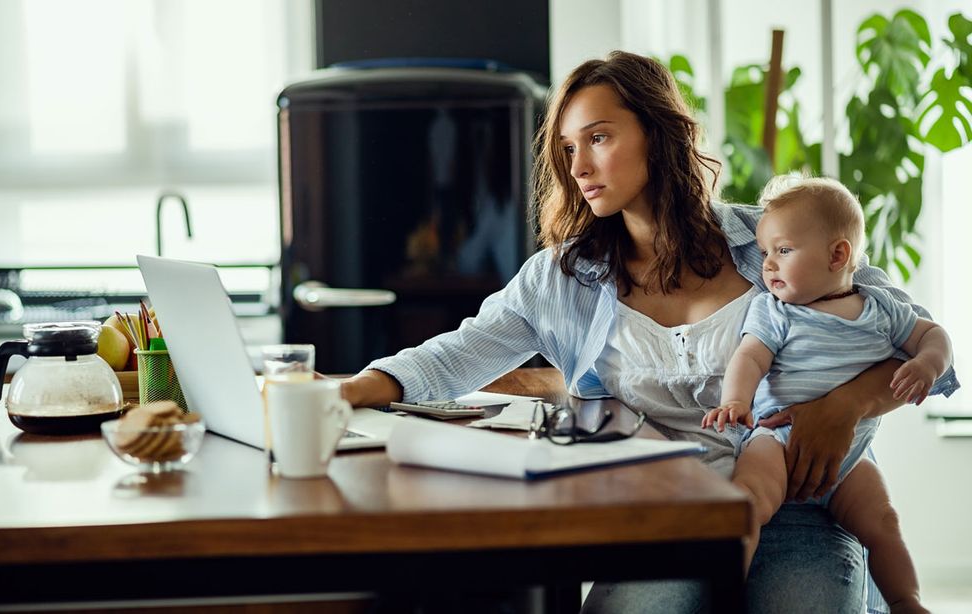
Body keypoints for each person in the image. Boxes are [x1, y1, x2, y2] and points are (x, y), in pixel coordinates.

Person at [340, 51, 959, 612]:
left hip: (801, 507)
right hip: (666, 513)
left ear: (661, 136)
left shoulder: (772, 241)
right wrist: (345, 391)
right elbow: (452, 359)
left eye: (599, 137)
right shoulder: (561, 279)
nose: (578, 165)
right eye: (567, 148)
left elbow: (924, 347)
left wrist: (845, 405)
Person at [701, 175, 952, 614]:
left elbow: (933, 335)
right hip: (774, 441)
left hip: (849, 458)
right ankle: (723, 598)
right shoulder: (774, 311)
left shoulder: (881, 308)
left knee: (883, 523)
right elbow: (749, 358)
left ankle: (906, 602)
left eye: (783, 250)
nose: (768, 266)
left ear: (838, 254)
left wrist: (928, 361)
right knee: (747, 505)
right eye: (764, 253)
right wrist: (737, 401)